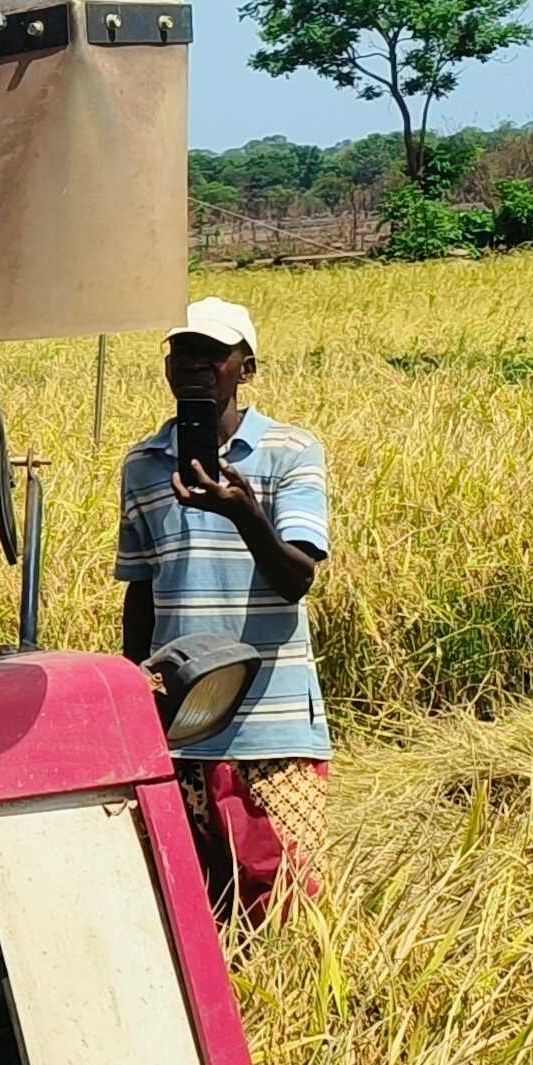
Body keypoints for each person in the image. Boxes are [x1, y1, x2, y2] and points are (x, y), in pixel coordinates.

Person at [118, 295, 334, 917]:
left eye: (213, 353)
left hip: (272, 723)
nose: (194, 364)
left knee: (285, 902)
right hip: (180, 725)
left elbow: (296, 579)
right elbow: (141, 588)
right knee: (187, 906)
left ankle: (291, 1014)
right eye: (182, 350)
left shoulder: (291, 452)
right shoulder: (143, 465)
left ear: (247, 367)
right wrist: (136, 692)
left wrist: (243, 512)